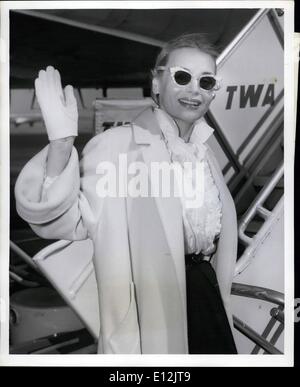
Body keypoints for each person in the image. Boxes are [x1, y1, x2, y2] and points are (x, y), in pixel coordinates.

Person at [15, 33, 238, 354]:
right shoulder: (119, 147)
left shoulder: (205, 156)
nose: (194, 90)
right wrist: (61, 147)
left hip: (205, 296)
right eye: (183, 77)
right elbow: (63, 222)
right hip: (152, 312)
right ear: (157, 83)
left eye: (206, 81)